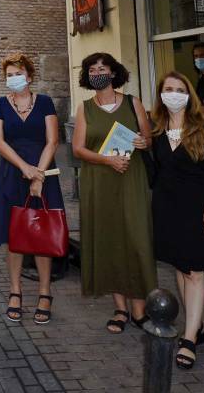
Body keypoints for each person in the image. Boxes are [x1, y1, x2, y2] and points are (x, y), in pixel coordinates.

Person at [149, 72, 204, 369]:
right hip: (167, 210)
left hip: (198, 209)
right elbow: (153, 175)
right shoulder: (156, 132)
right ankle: (196, 327)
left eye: (179, 89)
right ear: (160, 94)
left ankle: (189, 339)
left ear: (189, 95)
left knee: (196, 272)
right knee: (182, 270)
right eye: (168, 89)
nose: (173, 94)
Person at [70, 52, 157, 334]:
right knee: (109, 240)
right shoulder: (84, 108)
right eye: (92, 69)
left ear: (113, 72)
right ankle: (120, 308)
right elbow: (78, 149)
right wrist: (107, 160)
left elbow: (148, 138)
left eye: (102, 67)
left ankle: (140, 310)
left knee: (136, 239)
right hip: (99, 180)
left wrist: (144, 142)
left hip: (131, 178)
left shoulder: (133, 103)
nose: (97, 72)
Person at [0, 53, 63, 325]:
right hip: (10, 172)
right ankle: (15, 291)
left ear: (29, 76)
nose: (13, 78)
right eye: (8, 74)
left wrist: (37, 175)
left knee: (42, 231)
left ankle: (44, 292)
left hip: (44, 171)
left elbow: (52, 141)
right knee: (14, 233)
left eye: (18, 73)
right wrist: (24, 169)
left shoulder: (45, 103)